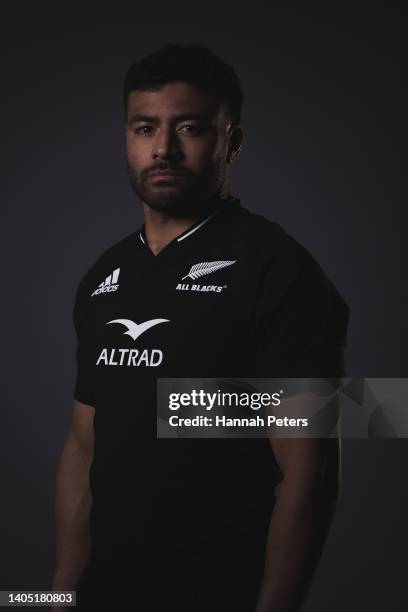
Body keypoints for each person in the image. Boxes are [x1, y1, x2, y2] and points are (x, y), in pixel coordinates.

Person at [51, 43, 350, 611]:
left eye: (189, 128)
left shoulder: (278, 269)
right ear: (127, 136)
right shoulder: (103, 276)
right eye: (144, 128)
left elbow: (310, 470)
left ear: (230, 141)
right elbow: (82, 447)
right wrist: (59, 593)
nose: (162, 148)